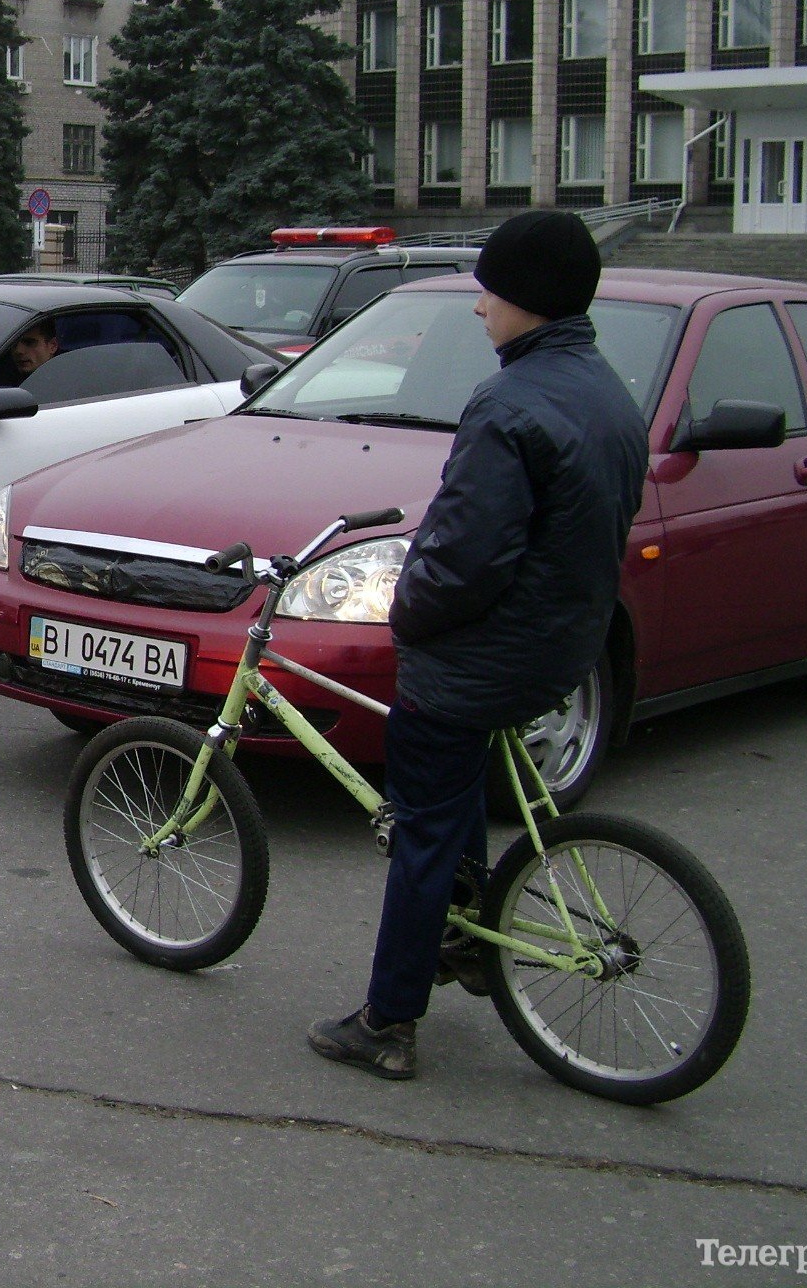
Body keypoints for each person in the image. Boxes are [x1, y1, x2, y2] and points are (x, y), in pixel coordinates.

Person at [307, 209, 647, 1082]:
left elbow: (463, 557)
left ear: (525, 300)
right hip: (562, 648)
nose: (479, 307)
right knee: (451, 791)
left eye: (489, 291)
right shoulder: (607, 390)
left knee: (421, 821)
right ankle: (460, 936)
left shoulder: (508, 403)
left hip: (481, 656)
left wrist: (408, 613)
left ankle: (386, 1021)